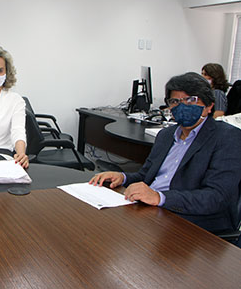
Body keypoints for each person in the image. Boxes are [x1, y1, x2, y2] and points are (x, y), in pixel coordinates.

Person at [89, 72, 241, 234]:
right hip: (151, 212)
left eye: (191, 100)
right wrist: (122, 177)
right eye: (175, 101)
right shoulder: (166, 135)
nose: (182, 106)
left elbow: (216, 197)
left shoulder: (227, 137)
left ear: (209, 106)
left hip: (193, 221)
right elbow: (146, 176)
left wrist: (160, 197)